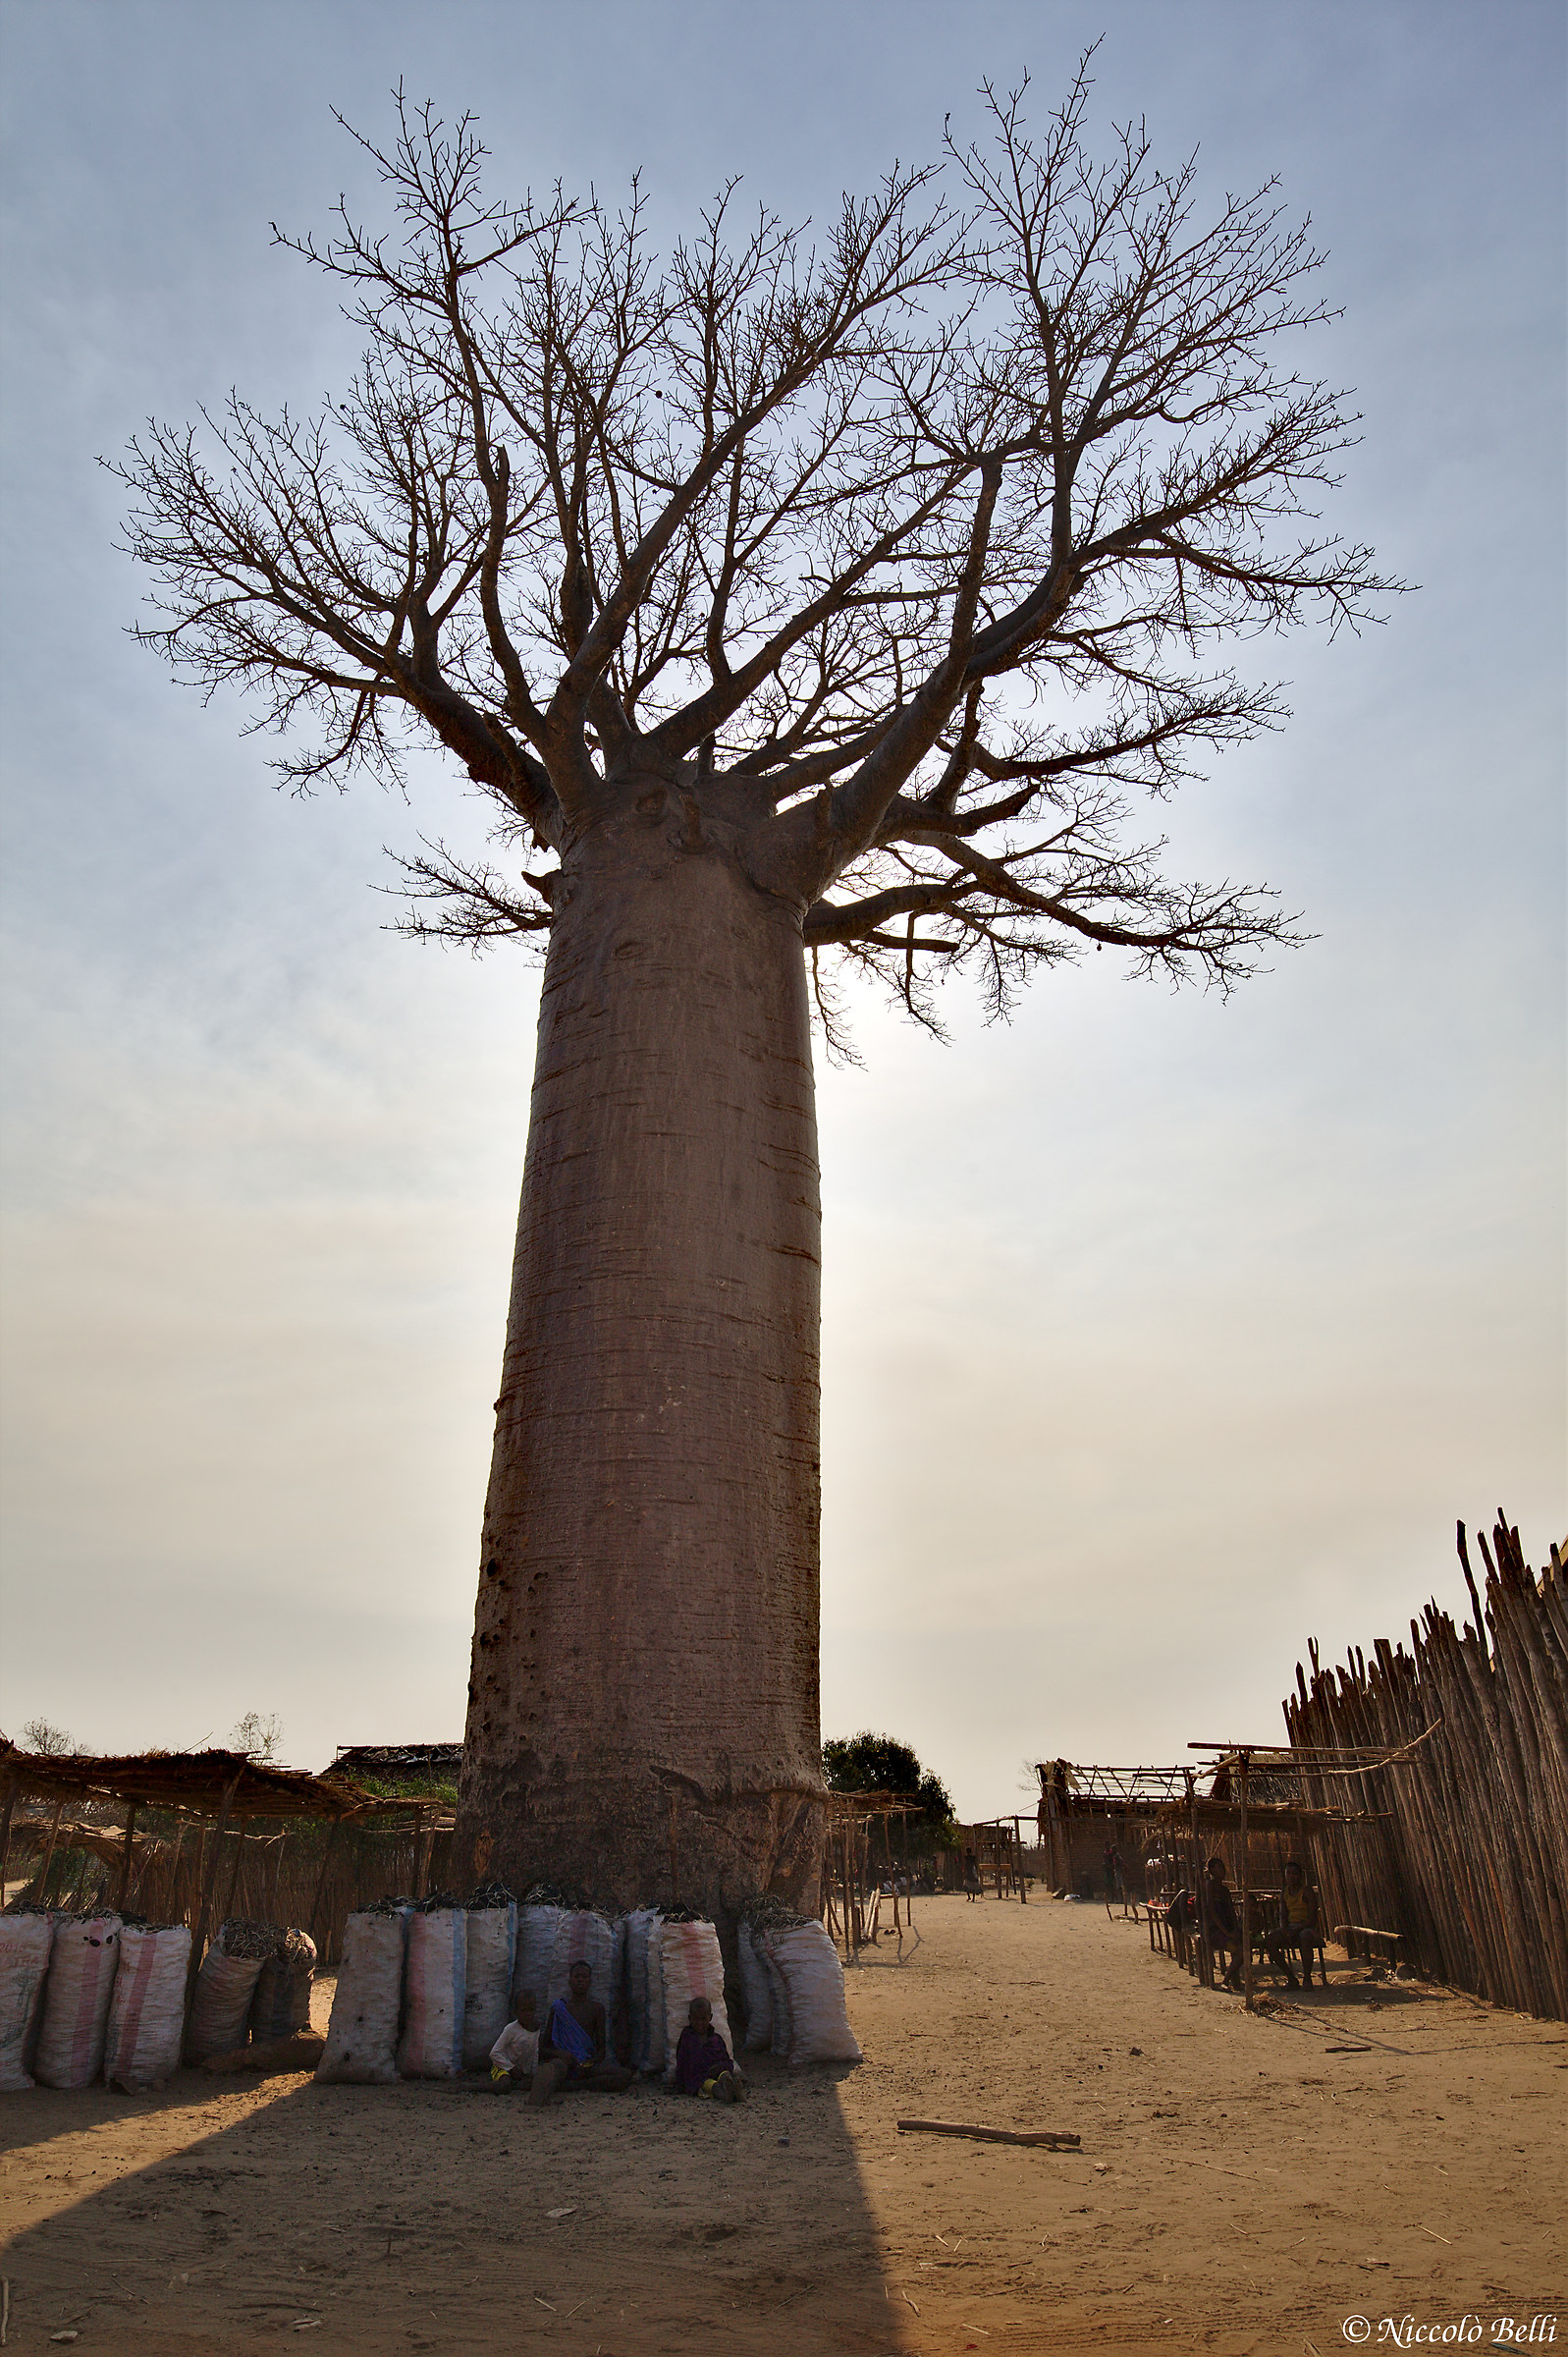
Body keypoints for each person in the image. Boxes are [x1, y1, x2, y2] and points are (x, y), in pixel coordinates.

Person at [530, 1958, 636, 2105]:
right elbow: (543, 2048)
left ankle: (575, 2086)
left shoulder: (597, 2009)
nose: (580, 1980)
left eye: (584, 1977)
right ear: (569, 1981)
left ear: (590, 1981)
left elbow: (601, 2051)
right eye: (576, 1977)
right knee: (554, 2068)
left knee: (624, 2075)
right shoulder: (559, 2008)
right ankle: (541, 2096)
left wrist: (588, 2064)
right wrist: (561, 2054)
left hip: (586, 2067)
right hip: (564, 2063)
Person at [673, 1995, 744, 2102]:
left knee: (725, 2076)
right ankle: (726, 2095)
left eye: (703, 2019)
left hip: (718, 2070)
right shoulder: (687, 2037)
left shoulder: (716, 2039)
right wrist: (680, 2085)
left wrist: (720, 2067)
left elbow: (727, 2060)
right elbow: (682, 2061)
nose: (700, 2023)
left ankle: (734, 2088)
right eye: (696, 2019)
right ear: (689, 2018)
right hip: (700, 2077)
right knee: (712, 2086)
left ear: (710, 2018)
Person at [1267, 1860, 1325, 1989]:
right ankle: (1291, 1978)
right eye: (1289, 1874)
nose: (1292, 1877)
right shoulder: (1284, 1893)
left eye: (1295, 1874)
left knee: (1305, 1937)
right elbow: (1283, 1915)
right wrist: (1284, 1929)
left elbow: (1312, 1917)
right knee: (1270, 1941)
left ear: (1300, 1876)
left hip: (1306, 1927)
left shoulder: (1307, 1891)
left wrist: (1298, 1928)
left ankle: (1307, 1978)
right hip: (1291, 1927)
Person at [1205, 1855, 1243, 1991]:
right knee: (1240, 1952)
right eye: (1219, 1867)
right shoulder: (1210, 1887)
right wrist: (1226, 1932)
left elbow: (1231, 1912)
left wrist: (1235, 1930)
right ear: (1212, 1870)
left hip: (1228, 1930)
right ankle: (1226, 1981)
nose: (1223, 1870)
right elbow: (1212, 1913)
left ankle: (1234, 1981)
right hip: (1215, 1931)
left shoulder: (1225, 1890)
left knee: (1244, 1948)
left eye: (1223, 1867)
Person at [488, 1991, 539, 2091]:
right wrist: (510, 2068)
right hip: (502, 2067)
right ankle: (473, 2087)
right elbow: (494, 2053)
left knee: (531, 2084)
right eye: (523, 2010)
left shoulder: (536, 2029)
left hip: (521, 2072)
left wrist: (533, 2073)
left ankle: (515, 2084)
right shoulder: (511, 2029)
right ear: (516, 2011)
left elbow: (535, 2053)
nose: (528, 2014)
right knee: (505, 2084)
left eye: (531, 2010)